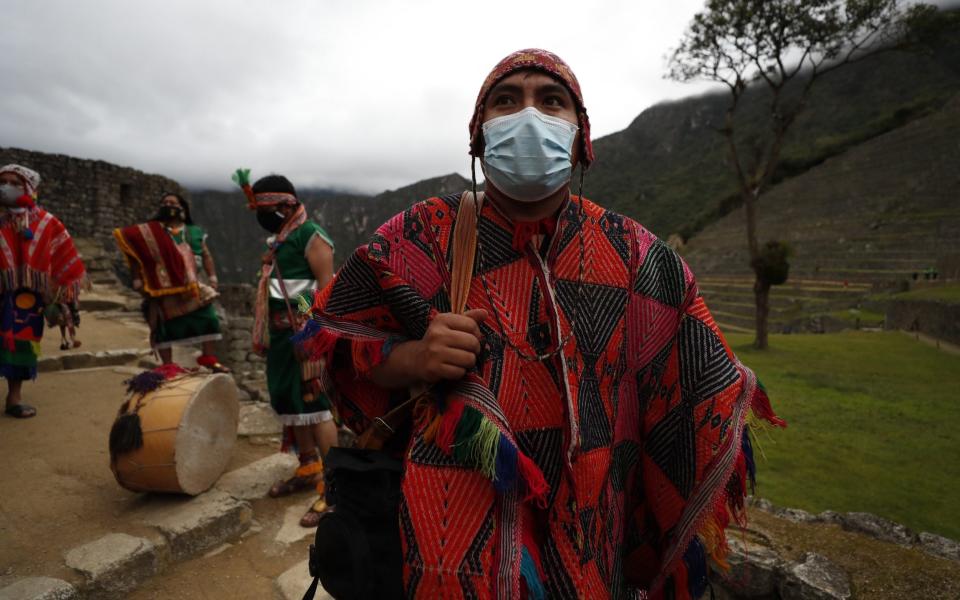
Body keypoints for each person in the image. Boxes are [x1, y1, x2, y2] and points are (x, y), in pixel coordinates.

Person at [297, 49, 786, 598]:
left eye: (551, 101)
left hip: (592, 540)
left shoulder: (635, 254)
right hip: (451, 541)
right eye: (506, 101)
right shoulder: (422, 235)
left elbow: (700, 381)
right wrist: (413, 358)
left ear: (581, 138)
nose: (528, 114)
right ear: (479, 138)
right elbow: (330, 340)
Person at [232, 171, 338, 528]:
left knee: (316, 404)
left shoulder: (312, 237)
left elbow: (327, 291)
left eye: (265, 208)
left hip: (305, 336)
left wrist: (316, 336)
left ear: (285, 206)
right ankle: (308, 465)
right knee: (290, 401)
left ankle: (335, 486)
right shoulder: (281, 239)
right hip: (280, 337)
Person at [0, 164, 86, 419]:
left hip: (26, 299)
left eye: (13, 182)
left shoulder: (48, 223)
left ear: (28, 188)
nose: (5, 186)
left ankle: (13, 397)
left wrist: (59, 295)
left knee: (20, 344)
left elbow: (63, 255)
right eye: (2, 181)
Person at [114, 193, 227, 371]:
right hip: (161, 287)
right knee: (164, 326)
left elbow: (205, 255)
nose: (168, 205)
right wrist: (136, 278)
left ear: (182, 208)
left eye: (173, 203)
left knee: (209, 318)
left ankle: (208, 357)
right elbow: (135, 255)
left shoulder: (194, 231)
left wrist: (212, 276)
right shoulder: (149, 232)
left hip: (191, 284)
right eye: (165, 202)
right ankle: (168, 366)